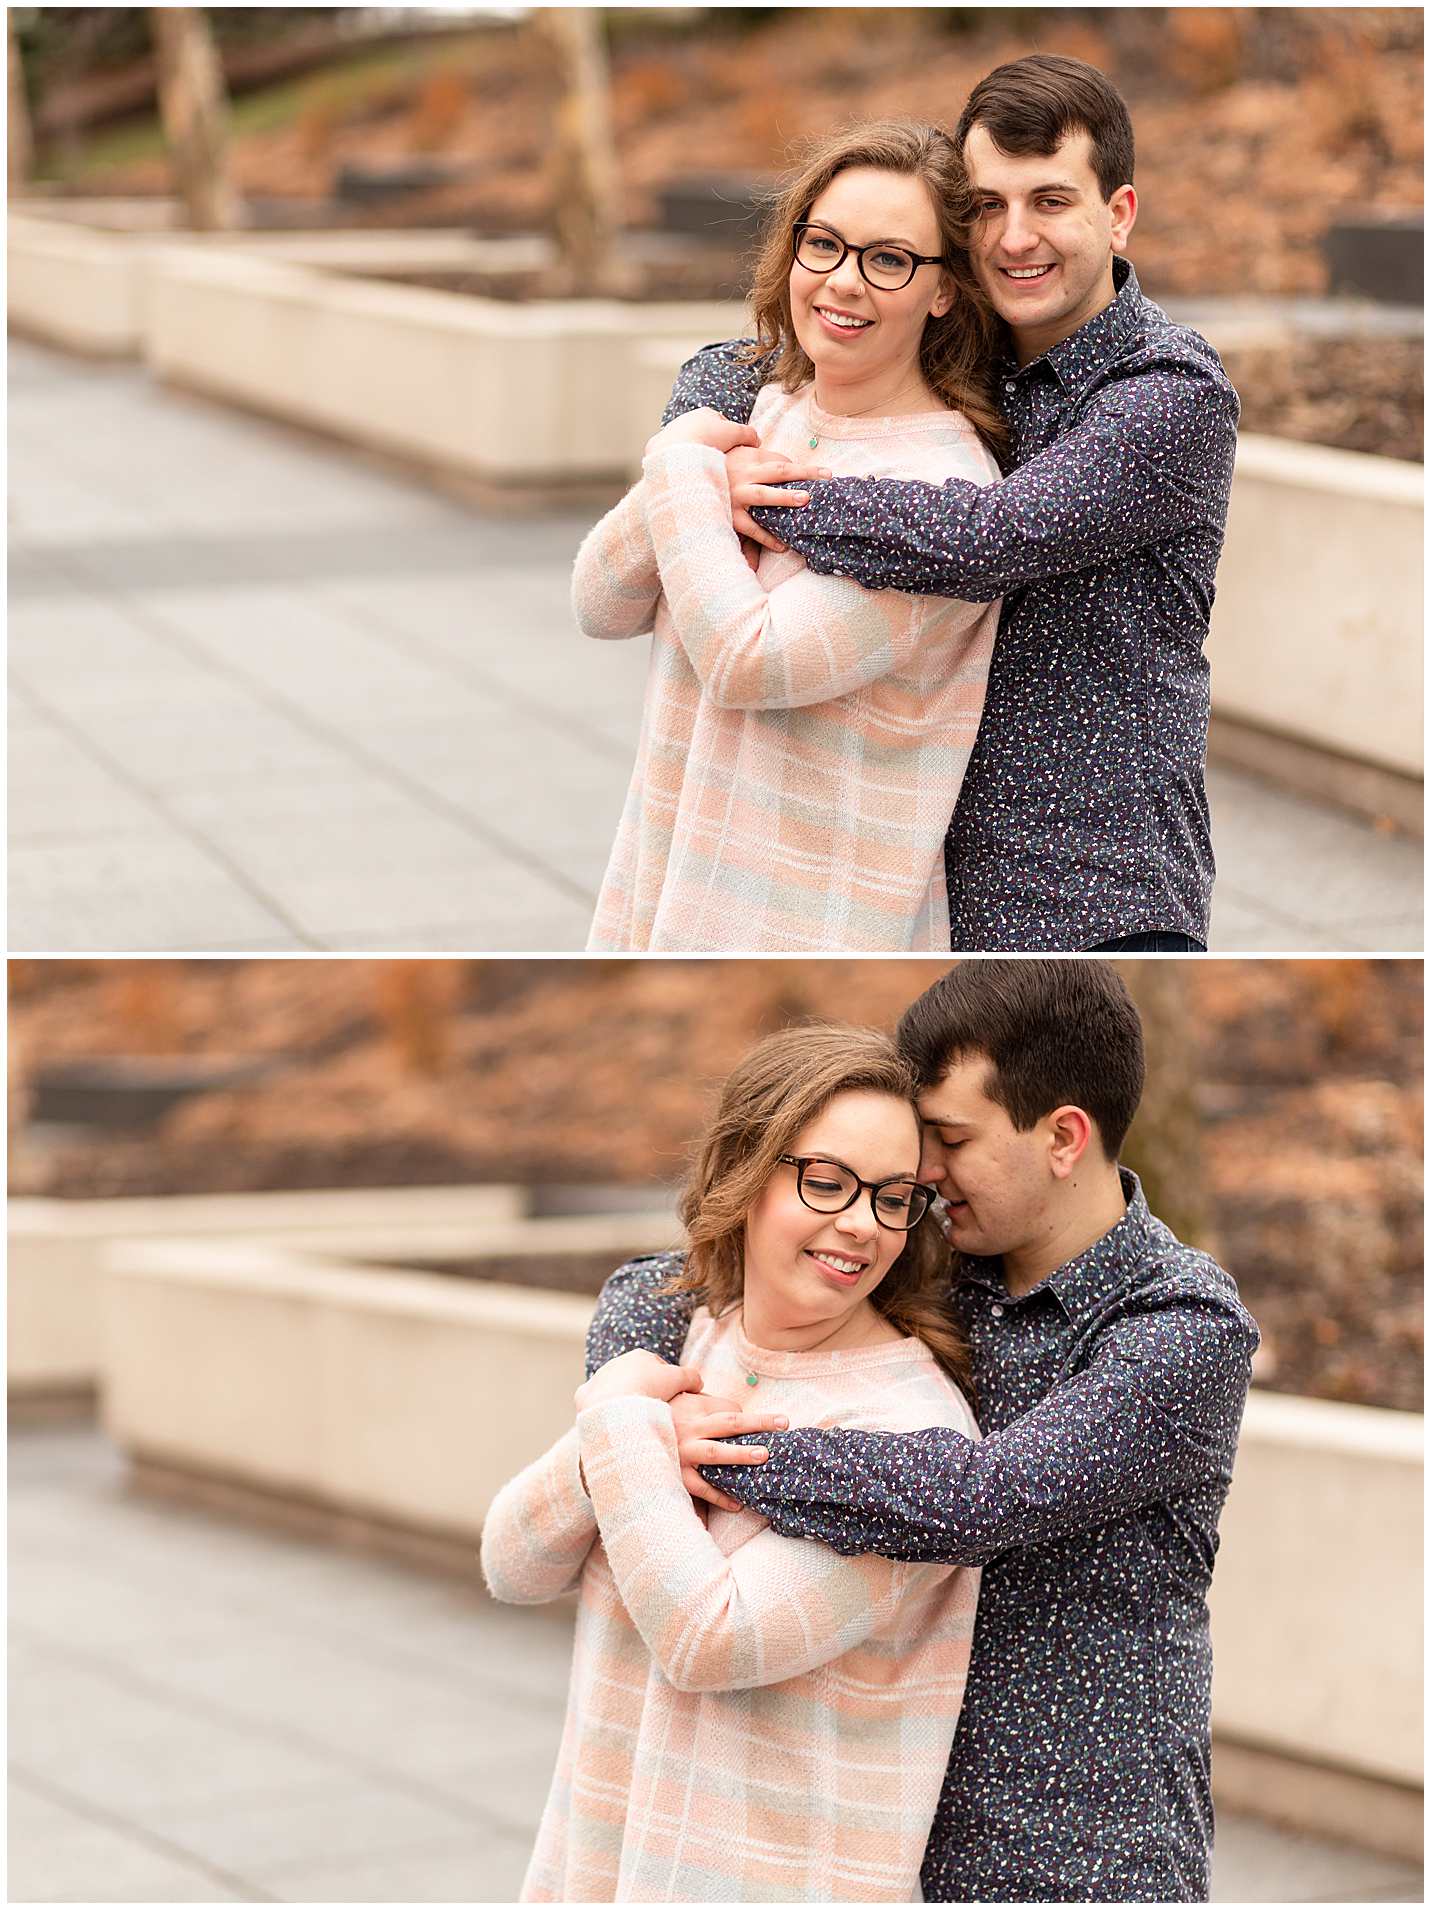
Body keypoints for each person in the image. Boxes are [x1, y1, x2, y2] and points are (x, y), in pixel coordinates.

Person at [587, 961, 1260, 1904]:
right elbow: (666, 1276)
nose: (924, 1178)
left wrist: (724, 1450)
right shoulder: (945, 1261)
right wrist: (638, 1393)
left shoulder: (1177, 1328)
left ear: (1064, 1137)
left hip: (1077, 1846)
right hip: (884, 1827)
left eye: (949, 1139)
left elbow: (984, 1497)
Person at [666, 55, 1240, 955]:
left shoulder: (1168, 394)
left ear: (1117, 214)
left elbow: (993, 537)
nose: (1014, 238)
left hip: (1089, 891)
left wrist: (754, 490)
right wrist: (700, 447)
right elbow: (731, 363)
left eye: (1049, 201)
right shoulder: (965, 355)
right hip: (920, 876)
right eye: (984, 207)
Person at [481, 1024, 982, 1901]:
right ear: (743, 1173)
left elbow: (709, 1641)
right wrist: (624, 1431)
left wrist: (619, 1421)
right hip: (602, 1871)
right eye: (826, 1182)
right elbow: (511, 1565)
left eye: (894, 1198)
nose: (861, 1226)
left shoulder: (909, 1437)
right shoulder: (688, 1338)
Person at [571, 120, 1004, 952]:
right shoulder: (767, 412)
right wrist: (691, 472)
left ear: (943, 289)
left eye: (888, 259)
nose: (842, 283)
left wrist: (677, 461)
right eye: (825, 245)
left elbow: (748, 661)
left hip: (805, 926)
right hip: (663, 895)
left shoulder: (943, 494)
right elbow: (600, 603)